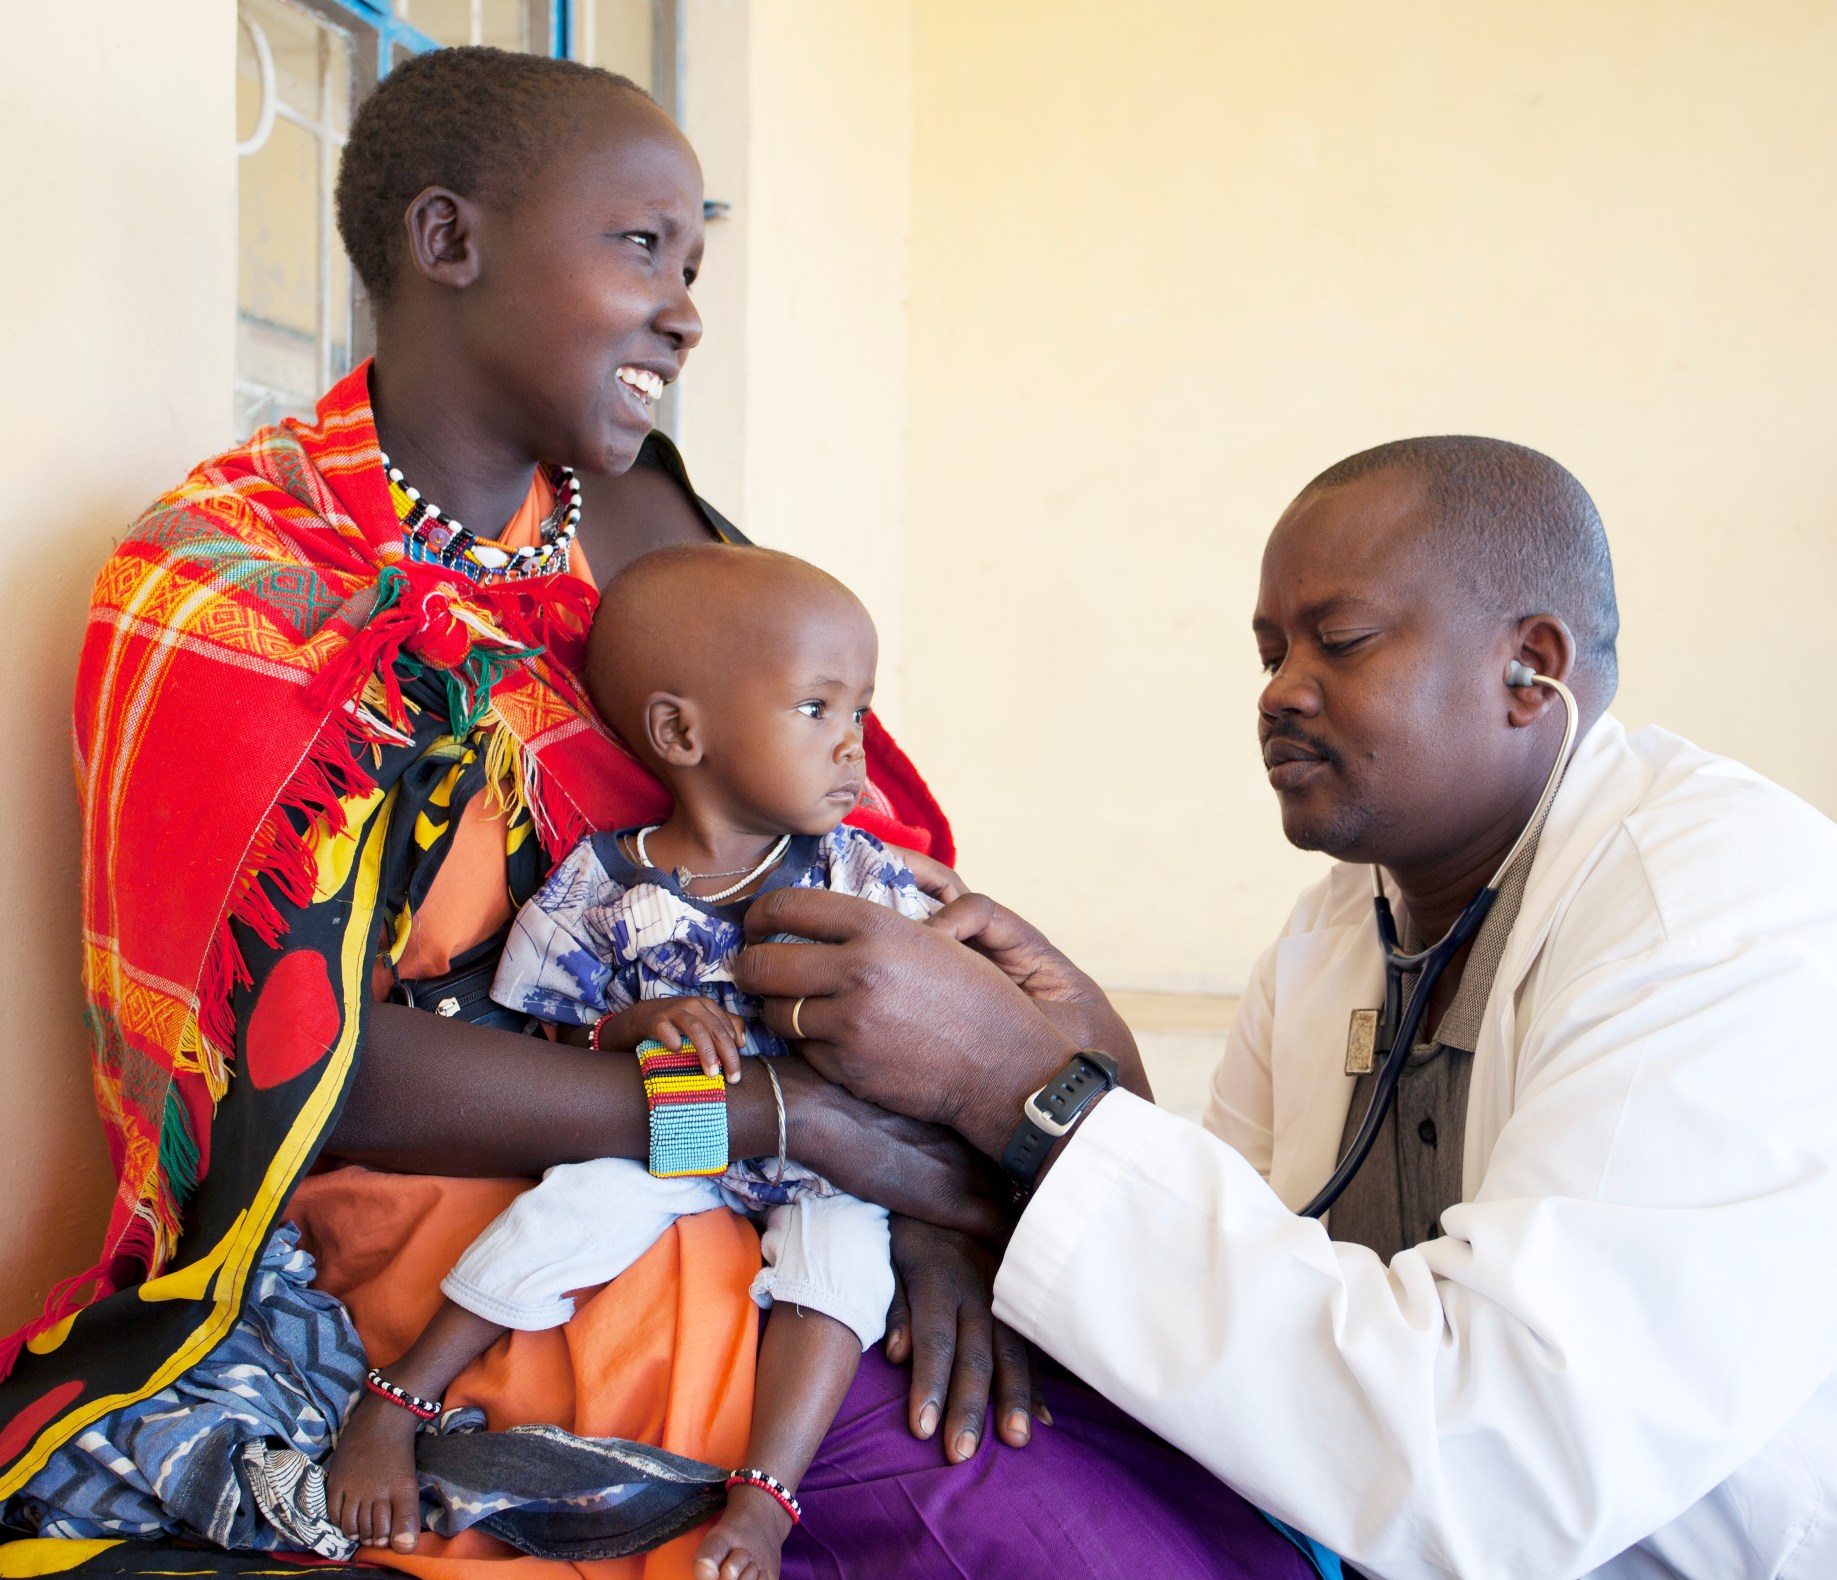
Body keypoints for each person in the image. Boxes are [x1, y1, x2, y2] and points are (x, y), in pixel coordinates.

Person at [1, 42, 1310, 1580]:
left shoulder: (650, 533)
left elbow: (848, 849)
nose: (687, 309)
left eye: (697, 260)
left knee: (1238, 1476)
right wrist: (772, 1125)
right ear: (448, 241)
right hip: (490, 1244)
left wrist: (943, 1195)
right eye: (642, 247)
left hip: (806, 1194)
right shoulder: (236, 579)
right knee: (1081, 1546)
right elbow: (299, 1070)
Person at [735, 437, 1837, 1578]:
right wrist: (1099, 1095)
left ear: (1531, 668)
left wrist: (1033, 1097)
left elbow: (1493, 1467)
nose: (1280, 692)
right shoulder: (1333, 930)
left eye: (1339, 641)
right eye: (1269, 651)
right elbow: (1268, 1316)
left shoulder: (1729, 922)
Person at [326, 545, 972, 1580]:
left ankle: (763, 1503)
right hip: (677, 1134)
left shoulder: (863, 874)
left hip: (831, 1159)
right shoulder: (603, 883)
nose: (854, 744)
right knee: (576, 1207)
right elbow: (545, 1034)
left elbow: (940, 1026)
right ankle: (395, 1397)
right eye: (818, 708)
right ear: (680, 731)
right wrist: (635, 1027)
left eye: (861, 709)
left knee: (843, 1271)